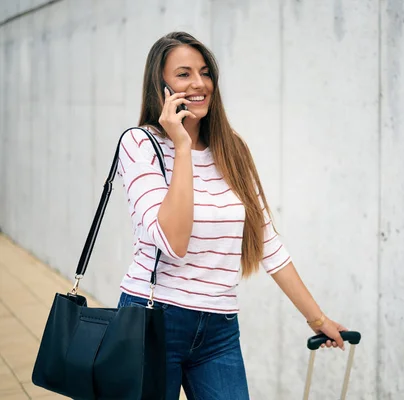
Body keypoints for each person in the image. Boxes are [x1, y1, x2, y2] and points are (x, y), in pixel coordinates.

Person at [116, 31, 347, 399]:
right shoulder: (139, 145)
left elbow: (268, 243)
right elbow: (174, 241)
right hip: (152, 321)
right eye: (183, 74)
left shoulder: (231, 148)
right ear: (159, 86)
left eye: (205, 73)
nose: (199, 84)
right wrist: (182, 146)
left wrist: (318, 319)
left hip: (219, 328)